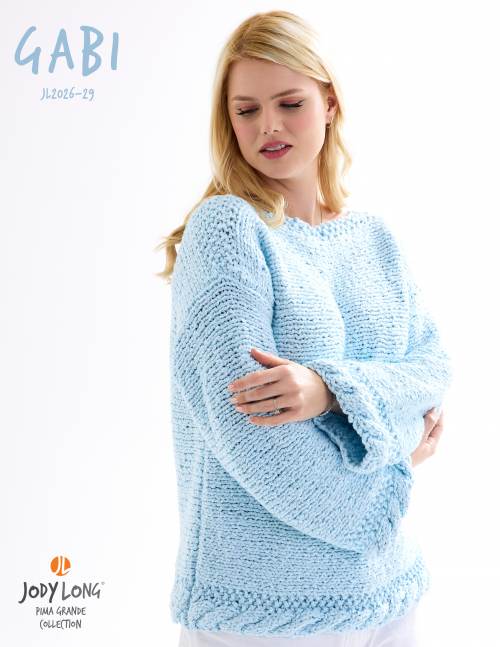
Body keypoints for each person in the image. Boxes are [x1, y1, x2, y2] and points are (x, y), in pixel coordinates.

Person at [155, 10, 453, 647]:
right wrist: (395, 465)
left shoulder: (375, 239)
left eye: (289, 103)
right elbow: (250, 434)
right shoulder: (226, 231)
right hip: (264, 610)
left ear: (329, 103)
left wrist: (328, 390)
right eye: (246, 110)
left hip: (391, 592)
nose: (269, 126)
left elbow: (431, 375)